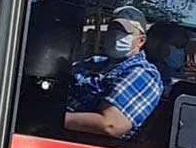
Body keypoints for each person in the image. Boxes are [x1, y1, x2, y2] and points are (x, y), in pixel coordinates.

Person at [64, 7, 166, 139]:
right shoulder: (95, 63)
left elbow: (111, 125)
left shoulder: (144, 73)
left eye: (124, 32)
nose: (116, 36)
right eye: (113, 29)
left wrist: (52, 118)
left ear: (141, 40)